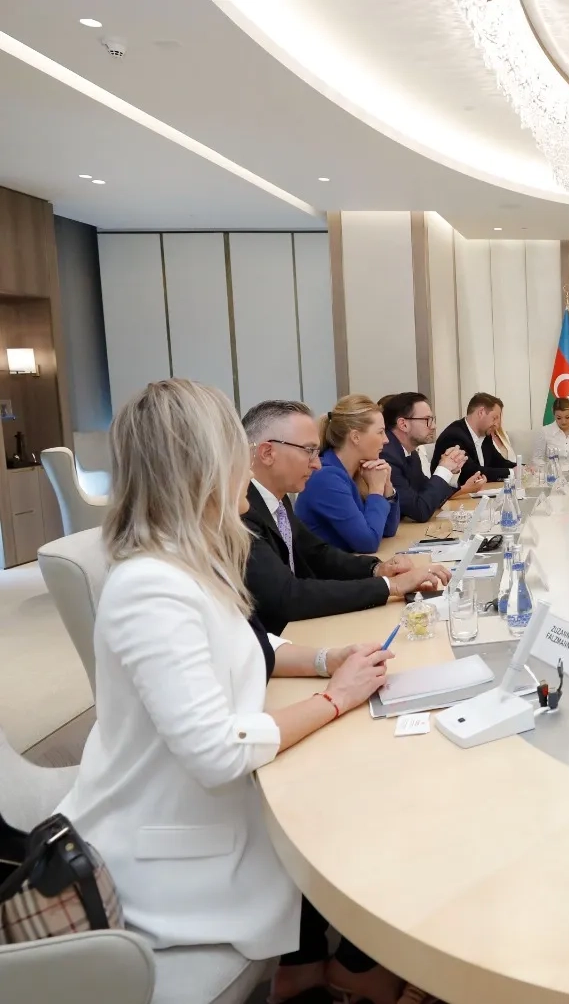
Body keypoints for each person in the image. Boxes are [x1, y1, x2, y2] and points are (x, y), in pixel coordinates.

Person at [54, 379, 419, 1004]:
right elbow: (216, 751)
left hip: (204, 808)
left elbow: (249, 643)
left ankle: (331, 965)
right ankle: (349, 965)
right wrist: (335, 698)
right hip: (171, 856)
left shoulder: (188, 558)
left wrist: (329, 660)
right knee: (366, 801)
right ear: (204, 467)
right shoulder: (150, 586)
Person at [242, 400, 448, 635]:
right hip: (275, 639)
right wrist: (390, 586)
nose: (316, 464)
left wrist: (377, 569)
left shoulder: (276, 500)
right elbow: (288, 595)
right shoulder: (242, 512)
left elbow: (317, 553)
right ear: (267, 453)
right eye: (309, 451)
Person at [296, 394, 401, 554]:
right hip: (323, 569)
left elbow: (387, 530)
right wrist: (375, 490)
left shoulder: (357, 471)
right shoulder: (326, 478)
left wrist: (387, 487)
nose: (386, 440)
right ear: (355, 437)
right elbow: (368, 543)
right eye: (380, 432)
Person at [380, 391, 485, 523]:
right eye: (427, 420)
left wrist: (450, 472)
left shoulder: (411, 453)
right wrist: (443, 469)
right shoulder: (387, 456)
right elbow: (420, 510)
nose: (434, 426)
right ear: (403, 424)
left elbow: (427, 494)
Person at [435, 393, 514, 483]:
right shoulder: (454, 436)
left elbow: (498, 462)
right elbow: (470, 472)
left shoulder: (485, 434)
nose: (497, 425)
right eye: (494, 418)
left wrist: (520, 467)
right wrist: (511, 472)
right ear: (481, 412)